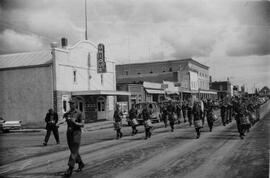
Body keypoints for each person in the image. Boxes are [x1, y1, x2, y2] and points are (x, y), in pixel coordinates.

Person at [57, 99, 85, 177]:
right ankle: (80, 163)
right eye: (70, 104)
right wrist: (58, 123)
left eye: (72, 104)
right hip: (69, 133)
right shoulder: (68, 113)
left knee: (74, 151)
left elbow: (82, 124)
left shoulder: (79, 113)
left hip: (76, 133)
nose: (70, 105)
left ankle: (70, 169)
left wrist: (75, 122)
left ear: (75, 104)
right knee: (73, 150)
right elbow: (64, 119)